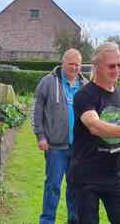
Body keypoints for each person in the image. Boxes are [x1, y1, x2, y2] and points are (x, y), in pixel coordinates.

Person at [69, 42, 120, 224]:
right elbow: (95, 126)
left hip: (114, 175)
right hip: (86, 176)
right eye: (111, 66)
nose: (117, 69)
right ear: (96, 66)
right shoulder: (85, 95)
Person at [33, 48, 87, 224]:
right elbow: (38, 110)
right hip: (55, 147)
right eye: (70, 64)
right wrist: (40, 136)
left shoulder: (85, 85)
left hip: (78, 148)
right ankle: (47, 221)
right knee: (53, 187)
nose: (74, 68)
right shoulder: (48, 82)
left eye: (77, 64)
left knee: (75, 189)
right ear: (63, 63)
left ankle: (74, 221)